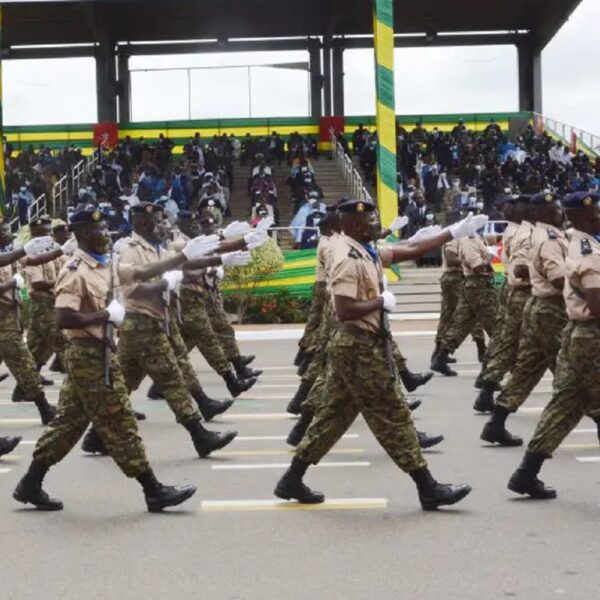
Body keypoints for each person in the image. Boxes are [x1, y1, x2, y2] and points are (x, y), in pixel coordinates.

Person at [273, 199, 486, 510]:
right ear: (356, 224)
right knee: (394, 414)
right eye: (372, 218)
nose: (377, 223)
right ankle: (427, 486)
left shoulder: (363, 249)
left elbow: (404, 252)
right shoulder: (348, 257)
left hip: (356, 345)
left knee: (332, 417)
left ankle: (292, 479)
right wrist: (379, 303)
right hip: (358, 347)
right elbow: (344, 310)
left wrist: (450, 233)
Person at [12, 208, 196, 513]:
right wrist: (103, 315)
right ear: (84, 235)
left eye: (107, 228)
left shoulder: (105, 263)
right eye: (100, 230)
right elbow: (63, 318)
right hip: (89, 356)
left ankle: (30, 483)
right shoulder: (75, 271)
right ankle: (153, 490)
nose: (107, 234)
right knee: (120, 420)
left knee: (68, 425)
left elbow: (138, 274)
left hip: (101, 353)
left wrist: (183, 258)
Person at [507, 192, 600, 500]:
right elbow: (597, 303)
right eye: (597, 213)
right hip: (592, 336)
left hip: (580, 335)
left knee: (565, 405)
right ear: (584, 218)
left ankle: (526, 473)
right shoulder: (588, 251)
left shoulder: (578, 241)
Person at [482, 192, 567, 446]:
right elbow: (558, 278)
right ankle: (537, 453)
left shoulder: (539, 234)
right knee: (573, 371)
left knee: (527, 369)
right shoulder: (546, 238)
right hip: (550, 309)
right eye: (555, 211)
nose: (560, 214)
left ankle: (496, 421)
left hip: (539, 306)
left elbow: (527, 268)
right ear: (539, 214)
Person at [472, 195, 534, 412]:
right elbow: (520, 270)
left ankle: (488, 386)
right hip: (525, 292)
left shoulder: (517, 232)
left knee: (510, 342)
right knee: (518, 343)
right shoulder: (524, 234)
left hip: (519, 290)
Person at [0, 219, 57, 424]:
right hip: (2, 320)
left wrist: (60, 251)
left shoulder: (6, 253)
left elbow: (29, 261)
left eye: (7, 228)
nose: (8, 232)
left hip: (10, 317)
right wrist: (11, 283)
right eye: (3, 230)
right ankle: (44, 409)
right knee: (24, 364)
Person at [431, 213, 498, 376]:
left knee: (462, 324)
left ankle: (441, 357)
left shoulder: (474, 237)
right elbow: (475, 266)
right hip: (477, 285)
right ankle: (490, 371)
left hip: (473, 284)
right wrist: (487, 261)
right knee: (496, 327)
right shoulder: (467, 239)